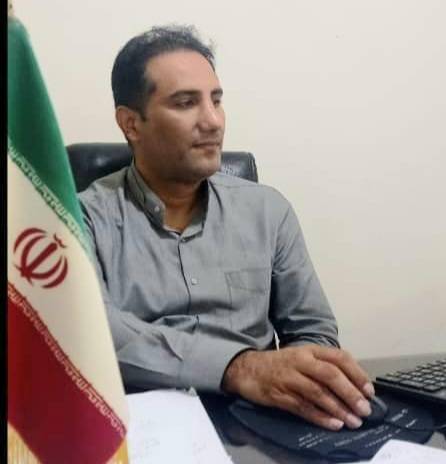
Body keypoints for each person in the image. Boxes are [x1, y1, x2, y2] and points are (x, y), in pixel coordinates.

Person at [79, 25, 375, 431]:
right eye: (186, 103)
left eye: (216, 100)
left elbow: (312, 331)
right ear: (131, 123)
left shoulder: (266, 210)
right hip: (142, 427)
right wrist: (239, 368)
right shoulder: (83, 219)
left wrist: (307, 380)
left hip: (260, 421)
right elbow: (95, 334)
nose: (213, 121)